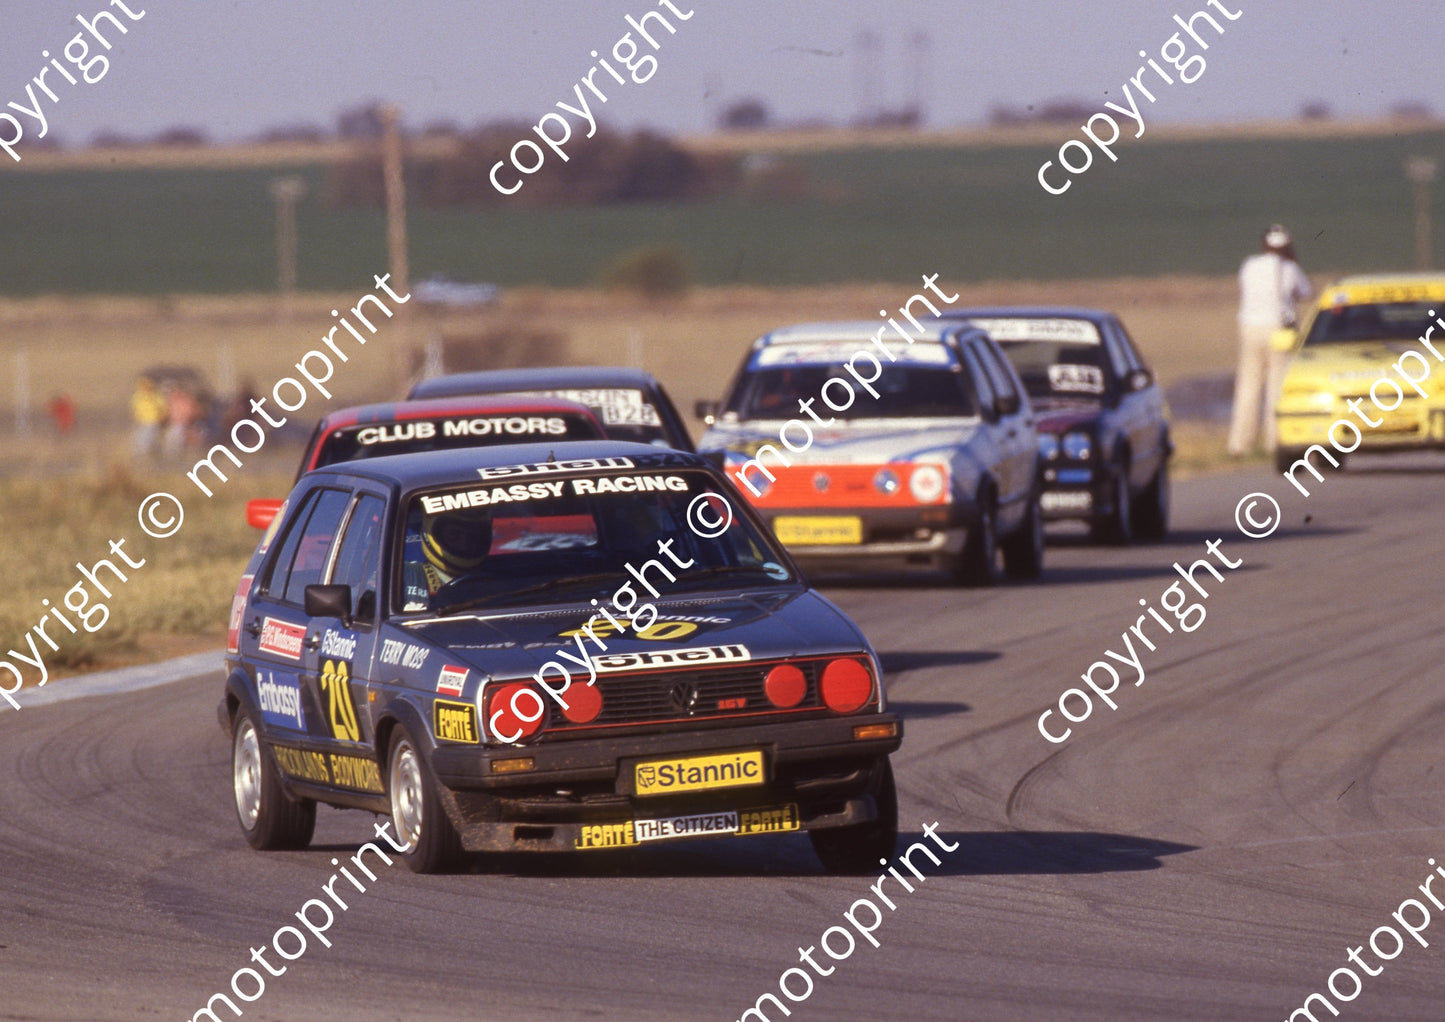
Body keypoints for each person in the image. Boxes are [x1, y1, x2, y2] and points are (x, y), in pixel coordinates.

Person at [1226, 223, 1312, 456]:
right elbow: (1305, 292)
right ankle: (1275, 441)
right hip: (1278, 330)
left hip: (1249, 327)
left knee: (1248, 385)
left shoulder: (1249, 265)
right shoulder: (1290, 268)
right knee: (1277, 384)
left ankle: (1239, 444)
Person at [129, 376, 167, 460]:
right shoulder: (138, 396)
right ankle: (139, 457)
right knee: (138, 439)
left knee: (148, 439)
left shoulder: (156, 396)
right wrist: (135, 420)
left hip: (153, 422)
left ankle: (146, 456)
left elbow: (163, 409)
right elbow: (134, 410)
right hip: (141, 422)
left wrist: (161, 419)